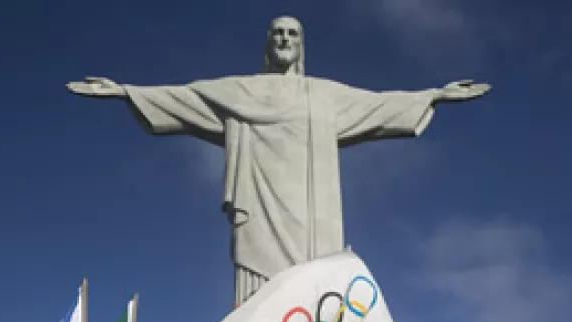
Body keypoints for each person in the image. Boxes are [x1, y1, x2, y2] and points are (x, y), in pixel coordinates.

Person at [66, 16, 490, 306]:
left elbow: (379, 105)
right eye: (277, 34)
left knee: (315, 288)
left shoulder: (323, 94)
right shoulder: (240, 91)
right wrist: (125, 91)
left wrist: (434, 95)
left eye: (292, 34)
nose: (285, 40)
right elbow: (186, 97)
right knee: (260, 292)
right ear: (268, 44)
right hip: (259, 210)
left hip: (313, 218)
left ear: (301, 45)